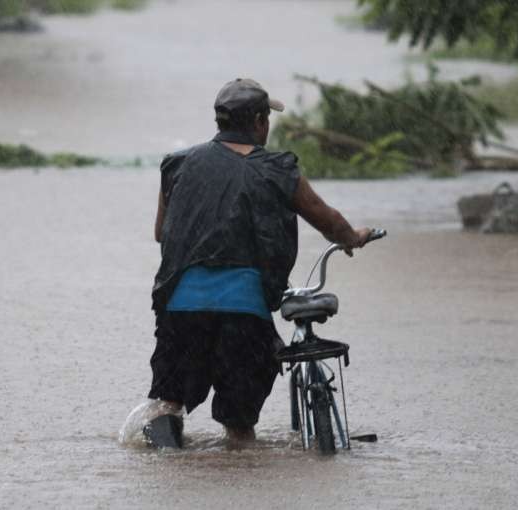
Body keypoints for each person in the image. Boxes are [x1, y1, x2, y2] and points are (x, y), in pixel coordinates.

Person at [146, 78, 371, 447]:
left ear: (220, 122)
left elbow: (161, 233)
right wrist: (353, 237)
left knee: (168, 403)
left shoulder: (177, 165)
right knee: (239, 426)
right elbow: (328, 221)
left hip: (181, 309)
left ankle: (166, 470)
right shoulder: (280, 169)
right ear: (260, 123)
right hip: (243, 313)